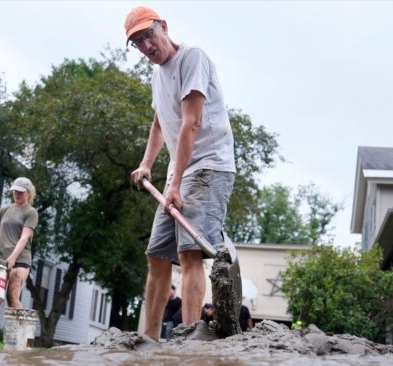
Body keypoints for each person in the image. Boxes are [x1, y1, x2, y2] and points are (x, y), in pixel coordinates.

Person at [126, 6, 236, 341]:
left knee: (189, 253)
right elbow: (160, 123)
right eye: (137, 42)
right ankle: (149, 340)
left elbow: (191, 123)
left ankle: (189, 342)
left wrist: (173, 185)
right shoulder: (158, 75)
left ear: (163, 27)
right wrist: (147, 164)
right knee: (156, 255)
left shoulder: (193, 59)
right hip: (182, 172)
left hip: (209, 167)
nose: (145, 46)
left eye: (148, 35)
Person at [0, 177, 39, 348]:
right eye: (14, 191)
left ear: (28, 193)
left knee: (12, 296)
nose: (16, 194)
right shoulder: (5, 210)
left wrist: (13, 257)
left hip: (20, 260)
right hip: (0, 258)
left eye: (20, 192)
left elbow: (24, 237)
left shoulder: (31, 212)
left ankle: (19, 339)